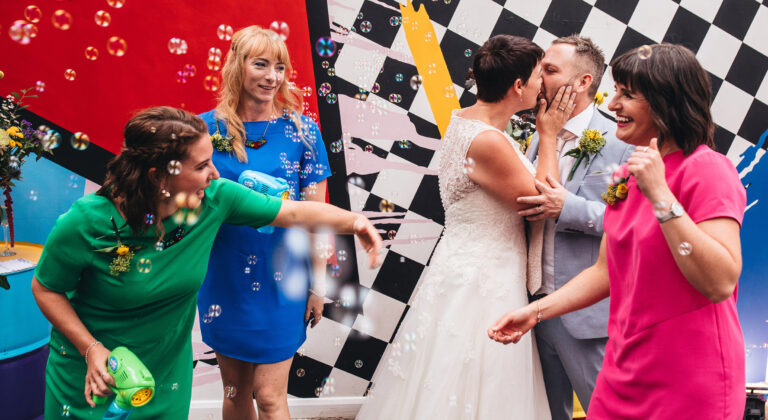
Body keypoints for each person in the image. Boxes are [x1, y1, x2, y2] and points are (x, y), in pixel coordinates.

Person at [30, 106, 382, 420]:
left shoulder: (215, 200)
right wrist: (90, 349)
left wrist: (355, 223)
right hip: (94, 375)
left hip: (165, 376)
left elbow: (294, 211)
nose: (214, 173)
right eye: (201, 166)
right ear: (157, 176)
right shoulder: (85, 223)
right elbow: (45, 288)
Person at [489, 43, 747, 420]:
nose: (612, 105)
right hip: (624, 367)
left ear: (665, 101)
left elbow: (720, 282)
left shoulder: (708, 169)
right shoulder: (625, 176)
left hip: (688, 372)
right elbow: (605, 271)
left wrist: (661, 197)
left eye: (627, 95)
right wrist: (535, 312)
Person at [356, 34, 577, 420]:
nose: (545, 85)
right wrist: (549, 134)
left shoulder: (465, 119)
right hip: (484, 276)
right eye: (540, 76)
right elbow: (542, 203)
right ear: (518, 86)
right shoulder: (487, 141)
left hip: (465, 264)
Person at [195, 25, 332, 420]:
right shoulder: (204, 129)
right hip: (223, 276)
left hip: (282, 277)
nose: (273, 76)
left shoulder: (304, 133)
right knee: (235, 393)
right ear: (237, 66)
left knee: (270, 398)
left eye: (280, 67)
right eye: (261, 64)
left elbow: (316, 217)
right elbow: (188, 205)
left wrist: (319, 286)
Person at [519, 35, 633, 420]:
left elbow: (634, 224)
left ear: (584, 82)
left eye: (550, 70)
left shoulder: (622, 142)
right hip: (534, 305)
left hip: (586, 314)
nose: (539, 78)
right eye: (541, 69)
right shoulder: (538, 137)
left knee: (609, 412)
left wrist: (568, 208)